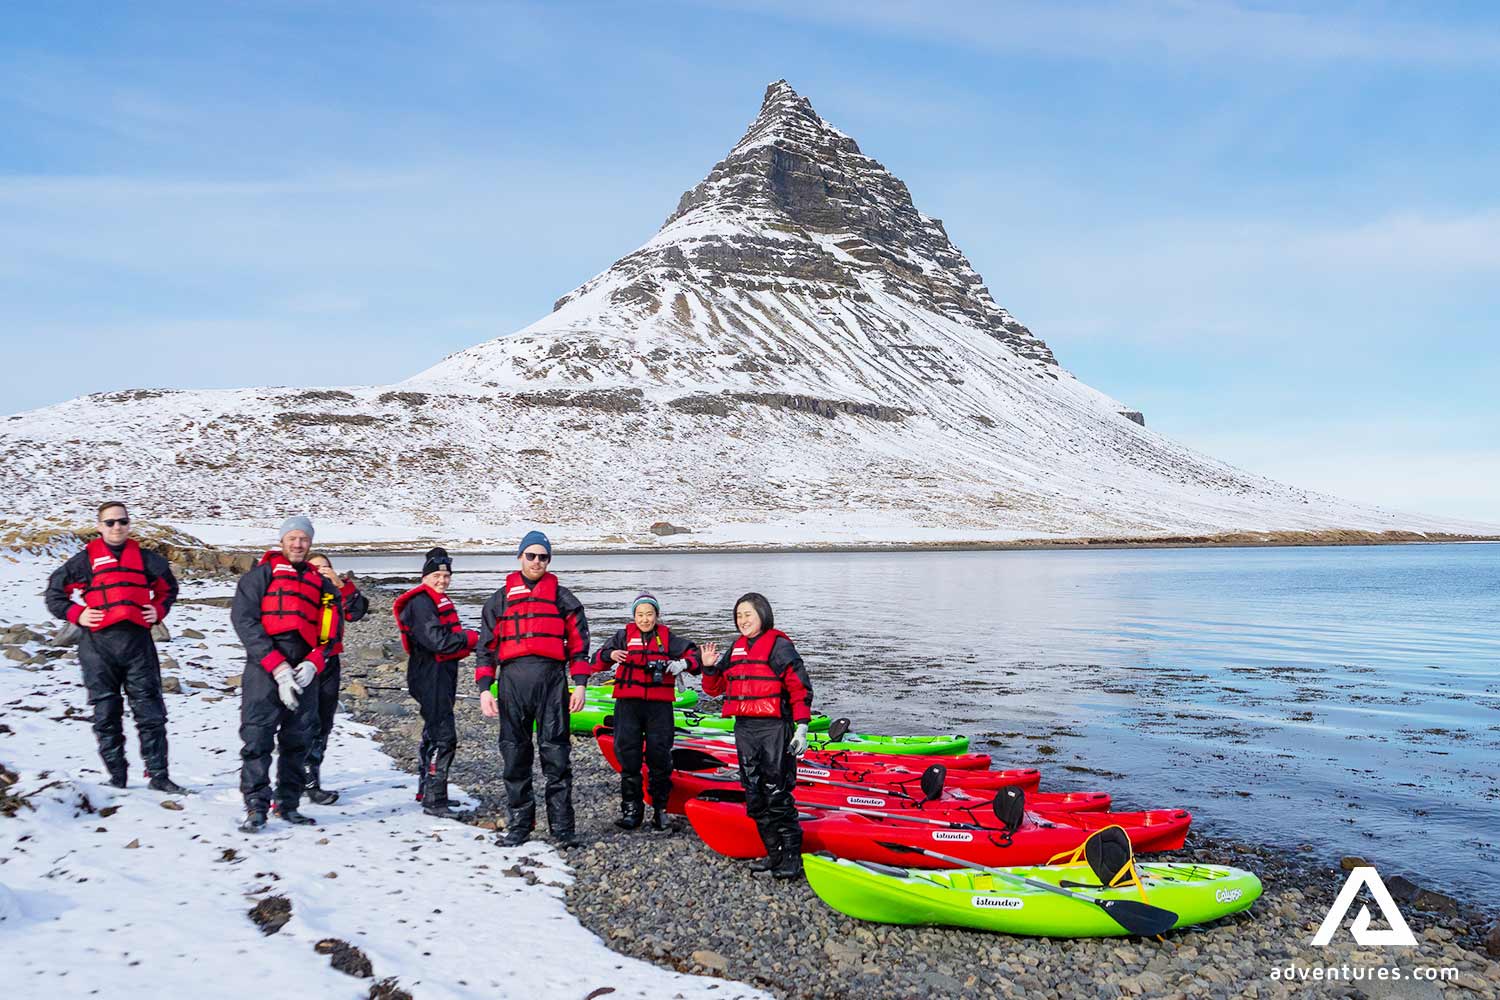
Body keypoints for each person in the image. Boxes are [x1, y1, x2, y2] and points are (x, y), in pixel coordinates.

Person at [44, 501, 185, 792]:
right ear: (99, 527)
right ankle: (117, 779)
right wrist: (77, 614)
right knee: (106, 713)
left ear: (129, 524)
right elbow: (54, 593)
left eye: (122, 521)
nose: (117, 527)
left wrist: (158, 610)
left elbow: (168, 588)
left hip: (138, 644)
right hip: (98, 647)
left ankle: (159, 776)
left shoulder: (147, 559)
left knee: (151, 712)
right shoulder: (84, 561)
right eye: (110, 522)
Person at [476, 530, 591, 848]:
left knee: (557, 756)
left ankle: (563, 829)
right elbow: (486, 649)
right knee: (514, 755)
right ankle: (519, 825)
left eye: (543, 557)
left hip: (552, 682)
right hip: (512, 682)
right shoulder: (498, 600)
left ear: (549, 561)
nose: (537, 561)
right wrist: (486, 688)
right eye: (531, 555)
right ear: (520, 557)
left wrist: (580, 684)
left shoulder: (564, 599)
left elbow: (580, 646)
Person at [230, 516, 341, 832]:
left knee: (298, 740)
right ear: (282, 541)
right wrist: (277, 668)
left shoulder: (323, 586)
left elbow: (331, 632)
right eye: (292, 538)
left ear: (310, 543)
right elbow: (245, 622)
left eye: (303, 539)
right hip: (264, 670)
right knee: (257, 737)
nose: (298, 544)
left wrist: (313, 663)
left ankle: (289, 804)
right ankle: (255, 806)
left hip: (305, 669)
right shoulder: (258, 578)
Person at [700, 592, 814, 880]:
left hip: (775, 728)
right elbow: (715, 689)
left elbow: (800, 689)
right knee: (754, 795)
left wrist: (801, 727)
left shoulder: (779, 647)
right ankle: (773, 854)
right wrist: (710, 667)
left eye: (748, 614)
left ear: (763, 614)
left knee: (777, 794)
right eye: (739, 615)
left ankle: (791, 859)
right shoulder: (736, 649)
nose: (743, 620)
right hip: (745, 729)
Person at [592, 591, 701, 831]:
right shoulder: (622, 636)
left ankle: (660, 810)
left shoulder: (668, 638)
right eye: (640, 614)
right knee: (628, 755)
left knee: (660, 757)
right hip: (628, 705)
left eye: (649, 614)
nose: (644, 619)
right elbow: (595, 660)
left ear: (657, 616)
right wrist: (610, 655)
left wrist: (682, 664)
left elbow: (696, 656)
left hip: (659, 707)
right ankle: (631, 809)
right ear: (634, 616)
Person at [392, 547, 478, 818]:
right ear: (425, 576)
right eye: (437, 575)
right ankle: (434, 799)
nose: (442, 580)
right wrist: (472, 639)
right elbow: (437, 641)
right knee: (444, 736)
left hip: (439, 674)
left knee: (432, 731)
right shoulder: (421, 603)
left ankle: (426, 790)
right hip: (429, 674)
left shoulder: (434, 600)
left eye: (446, 575)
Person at [302, 552, 369, 805]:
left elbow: (357, 612)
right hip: (302, 659)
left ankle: (312, 778)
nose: (321, 571)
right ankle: (298, 779)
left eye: (326, 567)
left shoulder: (334, 593)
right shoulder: (298, 589)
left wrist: (341, 586)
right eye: (316, 567)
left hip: (329, 660)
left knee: (323, 720)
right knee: (300, 721)